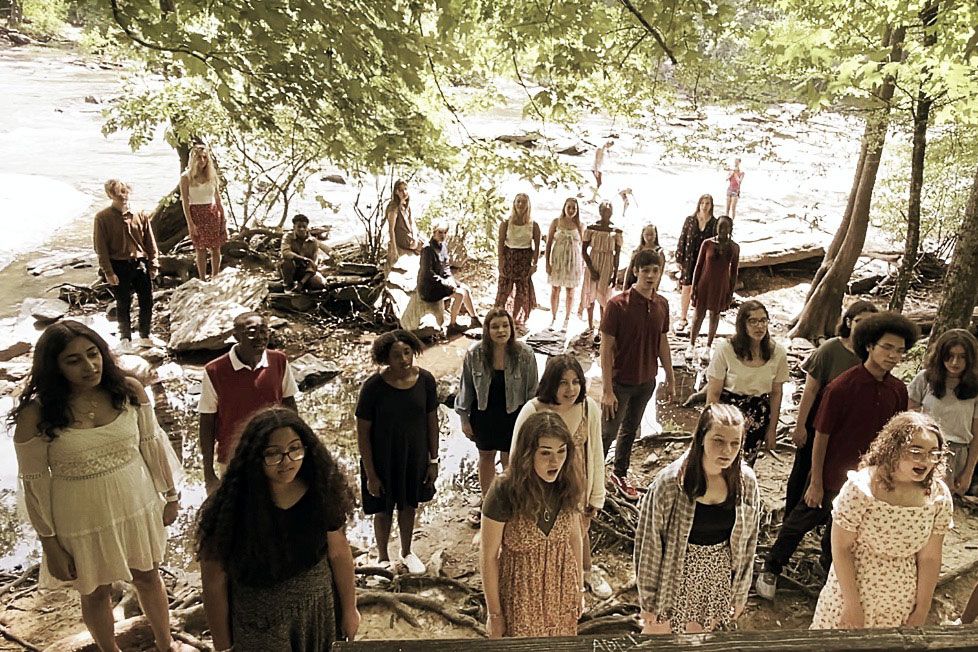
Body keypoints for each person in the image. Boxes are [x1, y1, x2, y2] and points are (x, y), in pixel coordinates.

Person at [11, 321, 186, 652]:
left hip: (137, 504)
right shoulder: (36, 413)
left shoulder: (129, 389)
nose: (89, 366)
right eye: (73, 360)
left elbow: (152, 446)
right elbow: (34, 483)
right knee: (95, 591)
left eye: (93, 354)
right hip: (79, 520)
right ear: (54, 366)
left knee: (148, 578)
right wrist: (49, 544)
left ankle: (167, 645)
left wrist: (171, 495)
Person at [757, 311, 918, 600]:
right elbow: (821, 434)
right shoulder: (842, 386)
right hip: (831, 474)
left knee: (845, 531)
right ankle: (772, 567)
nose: (893, 355)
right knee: (797, 523)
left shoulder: (897, 390)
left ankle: (831, 577)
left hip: (867, 480)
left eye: (900, 350)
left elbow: (894, 438)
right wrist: (816, 481)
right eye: (887, 347)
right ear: (869, 345)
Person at [197, 408, 360, 651]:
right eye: (273, 454)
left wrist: (349, 610)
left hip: (317, 610)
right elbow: (213, 580)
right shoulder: (228, 508)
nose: (287, 461)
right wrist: (222, 645)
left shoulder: (320, 489)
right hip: (259, 622)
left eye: (295, 449)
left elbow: (338, 553)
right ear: (254, 457)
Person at [810, 411, 952, 630]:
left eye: (933, 454)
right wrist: (852, 605)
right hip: (850, 595)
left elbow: (930, 558)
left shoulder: (938, 496)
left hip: (900, 602)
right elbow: (841, 548)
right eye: (916, 452)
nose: (925, 461)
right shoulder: (861, 489)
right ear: (894, 449)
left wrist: (922, 609)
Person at [635, 404, 760, 634]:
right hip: (674, 575)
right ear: (702, 437)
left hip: (718, 577)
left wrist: (740, 592)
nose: (727, 450)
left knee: (702, 639)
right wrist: (649, 601)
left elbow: (749, 543)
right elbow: (649, 544)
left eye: (735, 443)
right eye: (718, 441)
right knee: (657, 639)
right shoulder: (670, 483)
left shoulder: (746, 482)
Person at [511, 354, 608, 597]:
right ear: (551, 383)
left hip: (577, 486)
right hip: (541, 489)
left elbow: (596, 452)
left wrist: (597, 496)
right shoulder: (532, 410)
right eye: (563, 382)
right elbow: (516, 454)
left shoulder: (588, 408)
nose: (570, 389)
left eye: (576, 382)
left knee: (580, 531)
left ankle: (585, 573)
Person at [481, 411, 584, 638]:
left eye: (561, 451)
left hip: (562, 589)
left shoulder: (568, 483)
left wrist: (580, 589)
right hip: (521, 598)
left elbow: (575, 539)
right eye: (545, 453)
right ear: (528, 454)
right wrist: (495, 615)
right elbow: (488, 557)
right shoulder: (504, 490)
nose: (555, 461)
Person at [784, 300, 879, 516]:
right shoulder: (831, 349)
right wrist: (800, 426)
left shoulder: (872, 354)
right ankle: (791, 514)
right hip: (818, 418)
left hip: (847, 426)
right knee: (803, 469)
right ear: (848, 322)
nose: (865, 326)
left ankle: (825, 517)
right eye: (859, 321)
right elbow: (810, 390)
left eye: (871, 322)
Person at [356, 330, 439, 574]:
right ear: (385, 358)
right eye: (396, 355)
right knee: (382, 508)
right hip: (381, 459)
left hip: (413, 456)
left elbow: (432, 421)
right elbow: (362, 433)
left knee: (408, 504)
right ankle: (383, 557)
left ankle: (406, 551)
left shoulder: (425, 380)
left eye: (407, 352)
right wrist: (371, 473)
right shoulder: (373, 387)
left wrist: (433, 459)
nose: (404, 359)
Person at [601, 249, 675, 500]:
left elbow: (662, 342)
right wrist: (607, 390)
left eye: (655, 270)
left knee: (631, 429)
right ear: (635, 272)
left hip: (646, 381)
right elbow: (606, 348)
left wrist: (671, 376)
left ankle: (619, 473)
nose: (651, 276)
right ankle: (591, 476)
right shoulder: (616, 305)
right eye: (646, 270)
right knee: (607, 432)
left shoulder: (662, 304)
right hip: (620, 381)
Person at [198, 312, 299, 495]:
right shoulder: (215, 370)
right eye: (252, 332)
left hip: (274, 454)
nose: (260, 338)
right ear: (236, 336)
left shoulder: (279, 361)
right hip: (234, 458)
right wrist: (208, 473)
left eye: (264, 331)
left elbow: (290, 407)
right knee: (237, 515)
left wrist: (296, 449)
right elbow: (207, 422)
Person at [455, 308, 538, 524]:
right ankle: (488, 501)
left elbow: (532, 392)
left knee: (509, 459)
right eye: (495, 326)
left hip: (515, 414)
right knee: (486, 457)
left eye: (505, 325)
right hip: (484, 413)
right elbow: (466, 389)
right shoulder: (475, 354)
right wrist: (464, 419)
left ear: (511, 328)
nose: (501, 330)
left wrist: (532, 421)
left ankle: (510, 500)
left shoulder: (525, 354)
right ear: (487, 330)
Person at [705, 300, 788, 465]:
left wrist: (772, 429)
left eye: (763, 320)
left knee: (745, 464)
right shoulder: (726, 350)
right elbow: (714, 392)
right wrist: (708, 425)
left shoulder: (777, 353)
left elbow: (777, 393)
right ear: (742, 324)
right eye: (753, 321)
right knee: (720, 461)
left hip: (758, 415)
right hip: (727, 414)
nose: (759, 326)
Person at [93, 178, 161, 354]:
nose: (122, 197)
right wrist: (108, 271)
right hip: (118, 265)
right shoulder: (102, 217)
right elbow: (100, 248)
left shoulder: (140, 214)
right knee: (123, 302)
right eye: (117, 194)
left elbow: (150, 242)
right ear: (110, 195)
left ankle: (145, 335)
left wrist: (154, 264)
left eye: (124, 192)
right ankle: (125, 338)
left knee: (147, 300)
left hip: (140, 264)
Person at [909, 328, 978, 494]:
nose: (955, 362)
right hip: (924, 449)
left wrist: (968, 472)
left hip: (957, 453)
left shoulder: (975, 387)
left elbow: (976, 436)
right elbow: (908, 419)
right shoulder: (925, 379)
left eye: (962, 357)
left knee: (940, 505)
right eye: (950, 355)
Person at [688, 215, 740, 357]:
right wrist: (694, 288)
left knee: (714, 315)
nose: (723, 229)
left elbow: (734, 272)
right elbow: (698, 267)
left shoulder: (734, 247)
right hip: (705, 283)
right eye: (721, 226)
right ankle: (691, 345)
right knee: (699, 314)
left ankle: (708, 347)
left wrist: (730, 293)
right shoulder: (707, 244)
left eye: (726, 227)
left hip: (721, 285)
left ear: (730, 228)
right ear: (716, 227)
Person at [418, 222, 481, 336]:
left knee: (465, 289)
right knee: (460, 294)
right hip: (429, 287)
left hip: (442, 281)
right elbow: (427, 273)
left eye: (445, 233)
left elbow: (446, 267)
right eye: (440, 232)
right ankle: (452, 325)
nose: (442, 235)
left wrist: (450, 280)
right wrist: (446, 283)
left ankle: (474, 318)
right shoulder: (427, 249)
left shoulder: (443, 246)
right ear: (433, 232)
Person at [179, 143, 228, 281]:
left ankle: (215, 277)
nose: (202, 161)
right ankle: (202, 279)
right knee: (200, 249)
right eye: (199, 158)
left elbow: (218, 199)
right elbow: (185, 202)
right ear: (193, 159)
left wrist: (223, 218)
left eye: (205, 157)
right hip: (197, 213)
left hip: (212, 212)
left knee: (215, 248)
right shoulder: (186, 177)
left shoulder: (211, 176)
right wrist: (190, 223)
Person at [494, 193, 541, 328]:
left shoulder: (534, 225)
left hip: (524, 259)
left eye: (523, 202)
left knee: (521, 291)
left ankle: (515, 319)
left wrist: (535, 263)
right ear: (514, 204)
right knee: (504, 290)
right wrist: (500, 262)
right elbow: (500, 243)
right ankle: (499, 316)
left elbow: (537, 246)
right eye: (518, 202)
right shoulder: (506, 222)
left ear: (528, 205)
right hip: (509, 257)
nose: (521, 205)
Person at [581, 200, 623, 340]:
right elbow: (584, 251)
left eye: (609, 211)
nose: (607, 213)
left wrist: (615, 274)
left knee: (603, 295)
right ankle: (590, 325)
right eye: (604, 211)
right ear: (600, 212)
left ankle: (601, 327)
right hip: (593, 261)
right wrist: (591, 268)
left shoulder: (615, 231)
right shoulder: (592, 228)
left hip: (608, 263)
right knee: (590, 293)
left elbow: (617, 254)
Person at [674, 194, 717, 332]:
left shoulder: (714, 223)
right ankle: (683, 317)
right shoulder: (690, 220)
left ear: (711, 206)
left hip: (704, 261)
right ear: (698, 204)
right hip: (689, 258)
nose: (704, 206)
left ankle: (695, 319)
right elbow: (682, 239)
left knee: (700, 289)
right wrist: (679, 257)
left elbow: (716, 244)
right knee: (686, 287)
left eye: (707, 203)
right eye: (702, 203)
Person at [545, 198, 585, 331]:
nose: (571, 210)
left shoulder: (580, 225)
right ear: (564, 207)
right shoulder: (556, 222)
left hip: (573, 259)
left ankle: (567, 318)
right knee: (555, 289)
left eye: (574, 208)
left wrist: (583, 264)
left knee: (570, 291)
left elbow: (583, 246)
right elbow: (549, 243)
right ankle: (553, 316)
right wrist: (547, 263)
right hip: (558, 258)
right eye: (569, 207)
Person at [280, 214, 326, 292]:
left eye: (304, 227)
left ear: (307, 228)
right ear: (294, 227)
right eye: (299, 226)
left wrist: (301, 283)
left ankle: (301, 286)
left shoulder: (313, 241)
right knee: (286, 261)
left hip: (305, 272)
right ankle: (288, 286)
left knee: (320, 284)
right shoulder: (288, 237)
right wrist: (303, 258)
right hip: (290, 270)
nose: (301, 229)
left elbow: (313, 265)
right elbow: (285, 252)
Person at [386, 179, 423, 269]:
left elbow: (412, 222)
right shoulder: (393, 208)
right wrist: (394, 249)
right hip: (402, 238)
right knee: (426, 249)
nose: (404, 192)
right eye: (401, 190)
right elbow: (391, 230)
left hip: (410, 235)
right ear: (396, 192)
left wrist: (415, 236)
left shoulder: (406, 205)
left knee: (429, 244)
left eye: (405, 189)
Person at [623, 223, 665, 291]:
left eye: (652, 235)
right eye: (647, 235)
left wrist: (654, 288)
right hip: (634, 283)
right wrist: (624, 286)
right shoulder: (637, 250)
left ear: (655, 235)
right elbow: (630, 268)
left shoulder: (659, 252)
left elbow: (659, 273)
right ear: (643, 235)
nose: (649, 238)